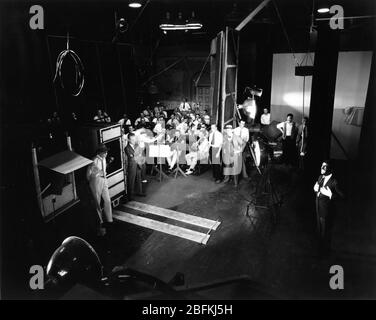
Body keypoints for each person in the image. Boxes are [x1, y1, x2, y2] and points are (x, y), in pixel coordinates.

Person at [313, 160, 344, 255]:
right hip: (319, 210)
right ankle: (320, 251)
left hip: (327, 212)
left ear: (330, 169)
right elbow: (319, 191)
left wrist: (330, 194)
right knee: (319, 232)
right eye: (322, 165)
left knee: (325, 233)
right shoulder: (320, 177)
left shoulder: (335, 181)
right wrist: (315, 190)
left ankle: (325, 253)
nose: (321, 168)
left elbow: (343, 196)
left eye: (325, 166)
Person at [86, 144, 113, 236]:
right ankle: (100, 221)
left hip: (104, 179)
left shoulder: (104, 159)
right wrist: (96, 176)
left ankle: (109, 219)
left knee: (108, 200)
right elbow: (88, 175)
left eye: (106, 152)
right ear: (100, 152)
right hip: (96, 181)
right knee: (97, 201)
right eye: (104, 152)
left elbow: (104, 168)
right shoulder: (94, 161)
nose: (106, 153)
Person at [124, 133, 145, 201]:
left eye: (134, 139)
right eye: (132, 139)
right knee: (131, 180)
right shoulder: (127, 148)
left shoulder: (136, 145)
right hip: (132, 166)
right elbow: (131, 157)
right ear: (128, 140)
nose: (134, 140)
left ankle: (139, 192)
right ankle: (130, 195)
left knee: (139, 178)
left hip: (137, 164)